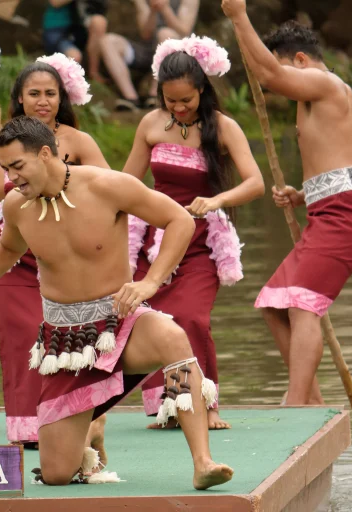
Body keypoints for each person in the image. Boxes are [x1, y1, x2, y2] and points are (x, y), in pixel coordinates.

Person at [0, 115, 233, 488]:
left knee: (173, 337)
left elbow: (179, 219)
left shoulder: (107, 186)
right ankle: (92, 430)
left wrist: (150, 282)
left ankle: (203, 462)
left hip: (119, 322)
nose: (11, 177)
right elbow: (6, 249)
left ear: (46, 154)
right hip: (64, 343)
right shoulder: (16, 206)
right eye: (5, 169)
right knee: (55, 475)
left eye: (18, 166)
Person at [222, 0, 352, 405]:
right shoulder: (313, 98)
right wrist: (303, 192)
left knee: (301, 304)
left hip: (348, 217)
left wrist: (239, 16)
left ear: (302, 60)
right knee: (273, 303)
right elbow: (341, 162)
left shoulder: (328, 85)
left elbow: (268, 73)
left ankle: (294, 408)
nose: (282, 82)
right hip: (330, 212)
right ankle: (311, 403)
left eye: (288, 68)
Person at [0, 54, 109, 448]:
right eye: (34, 94)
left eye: (51, 93)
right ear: (20, 98)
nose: (43, 101)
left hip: (64, 256)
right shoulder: (5, 141)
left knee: (67, 340)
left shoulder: (78, 142)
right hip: (18, 250)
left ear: (62, 98)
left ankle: (72, 423)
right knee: (20, 337)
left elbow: (110, 193)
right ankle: (25, 428)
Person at [123, 35, 264, 430]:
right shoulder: (150, 124)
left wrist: (217, 201)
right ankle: (171, 407)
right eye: (171, 101)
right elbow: (127, 182)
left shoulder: (222, 127)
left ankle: (207, 404)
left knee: (192, 317)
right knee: (155, 321)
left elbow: (255, 183)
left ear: (202, 89)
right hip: (156, 241)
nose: (180, 108)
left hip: (201, 241)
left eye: (187, 100)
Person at [100, 0, 199, 111]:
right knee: (107, 41)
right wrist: (153, 11)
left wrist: (165, 9)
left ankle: (155, 94)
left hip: (177, 53)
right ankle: (131, 98)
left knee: (165, 33)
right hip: (148, 50)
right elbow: (145, 34)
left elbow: (184, 30)